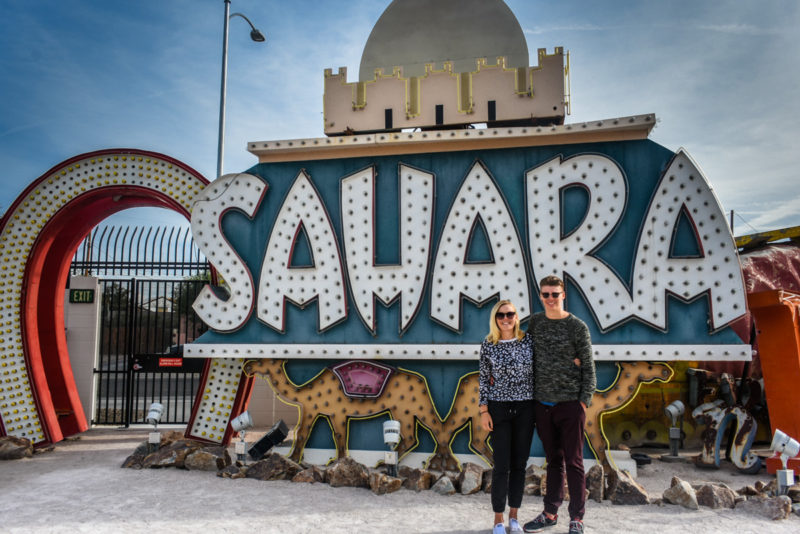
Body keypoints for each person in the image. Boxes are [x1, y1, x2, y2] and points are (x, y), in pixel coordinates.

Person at [523, 275, 595, 534]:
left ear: (563, 295)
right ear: (540, 297)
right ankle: (550, 513)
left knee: (574, 462)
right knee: (553, 460)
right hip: (542, 405)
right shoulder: (535, 324)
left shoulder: (577, 327)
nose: (550, 299)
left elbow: (588, 367)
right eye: (546, 295)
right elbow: (526, 356)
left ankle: (577, 518)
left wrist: (583, 403)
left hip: (570, 405)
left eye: (555, 294)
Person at [479, 300, 535, 534]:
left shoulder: (528, 341)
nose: (505, 318)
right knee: (501, 465)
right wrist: (484, 411)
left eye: (510, 314)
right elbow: (483, 378)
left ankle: (514, 516)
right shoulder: (488, 344)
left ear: (516, 317)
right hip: (498, 409)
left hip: (525, 407)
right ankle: (498, 519)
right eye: (501, 315)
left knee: (519, 466)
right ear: (495, 318)